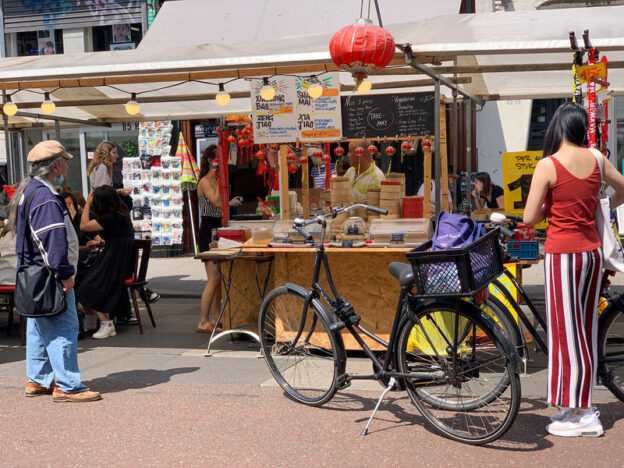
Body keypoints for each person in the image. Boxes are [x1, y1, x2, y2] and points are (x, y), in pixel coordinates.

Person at [524, 102, 624, 437]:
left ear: (556, 127)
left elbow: (528, 218)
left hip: (563, 255)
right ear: (582, 128)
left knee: (568, 335)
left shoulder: (548, 164)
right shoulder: (596, 158)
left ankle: (583, 413)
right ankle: (575, 403)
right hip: (592, 253)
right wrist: (602, 202)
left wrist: (548, 209)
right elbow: (622, 189)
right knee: (583, 328)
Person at [7, 140, 101, 402]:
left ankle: (38, 379)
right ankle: (68, 385)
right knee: (64, 326)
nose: (68, 165)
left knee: (38, 324)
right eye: (65, 160)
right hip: (48, 273)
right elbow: (52, 240)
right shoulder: (45, 196)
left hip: (34, 272)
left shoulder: (31, 190)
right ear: (56, 164)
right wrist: (64, 274)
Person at [77, 186, 135, 339]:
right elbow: (117, 236)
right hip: (120, 259)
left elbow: (83, 226)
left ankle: (106, 323)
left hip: (114, 260)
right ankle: (91, 321)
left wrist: (87, 204)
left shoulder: (110, 217)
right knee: (87, 280)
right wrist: (118, 192)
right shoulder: (121, 213)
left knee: (85, 287)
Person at [196, 145, 224, 333]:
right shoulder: (206, 181)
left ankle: (217, 318)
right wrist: (221, 181)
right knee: (213, 278)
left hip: (218, 227)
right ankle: (203, 321)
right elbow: (215, 201)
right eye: (217, 160)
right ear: (210, 160)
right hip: (208, 229)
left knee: (219, 278)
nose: (220, 164)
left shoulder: (215, 179)